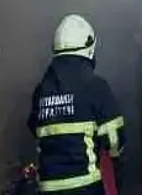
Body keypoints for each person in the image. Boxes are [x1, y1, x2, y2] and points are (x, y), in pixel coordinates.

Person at [27, 15, 125, 194]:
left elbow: (34, 128)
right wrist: (114, 158)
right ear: (89, 49)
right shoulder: (95, 86)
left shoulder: (41, 90)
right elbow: (114, 138)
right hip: (86, 185)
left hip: (48, 188)